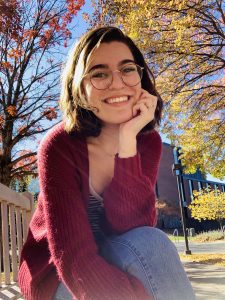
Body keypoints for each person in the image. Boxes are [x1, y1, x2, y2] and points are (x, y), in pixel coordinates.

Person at [18, 26, 195, 300]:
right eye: (99, 73)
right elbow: (72, 258)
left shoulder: (148, 142)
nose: (117, 82)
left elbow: (136, 227)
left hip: (114, 252)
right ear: (79, 89)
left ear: (141, 78)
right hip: (57, 272)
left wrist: (128, 141)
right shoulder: (59, 146)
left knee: (154, 243)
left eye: (127, 69)